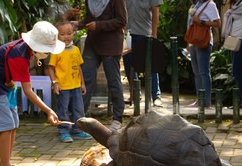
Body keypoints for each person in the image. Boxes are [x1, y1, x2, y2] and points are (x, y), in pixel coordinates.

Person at [0, 21, 64, 166]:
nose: (48, 53)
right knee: (6, 126)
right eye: (47, 50)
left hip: (5, 86)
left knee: (12, 125)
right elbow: (28, 91)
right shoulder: (20, 54)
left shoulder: (26, 50)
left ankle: (5, 165)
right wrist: (49, 111)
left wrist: (9, 81)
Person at [79, 0, 127, 132]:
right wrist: (79, 24)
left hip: (111, 45)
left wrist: (98, 25)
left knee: (113, 81)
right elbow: (90, 18)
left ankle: (117, 119)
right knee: (85, 78)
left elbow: (121, 20)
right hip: (92, 43)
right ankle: (79, 117)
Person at [47, 20, 92, 143]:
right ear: (57, 36)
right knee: (63, 109)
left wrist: (82, 83)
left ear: (74, 34)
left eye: (69, 33)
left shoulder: (76, 50)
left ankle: (77, 130)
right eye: (62, 34)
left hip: (76, 86)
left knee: (78, 109)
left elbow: (78, 68)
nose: (66, 36)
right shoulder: (56, 51)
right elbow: (50, 68)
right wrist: (54, 82)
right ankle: (64, 131)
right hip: (63, 87)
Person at [123, 0, 164, 107]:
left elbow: (156, 10)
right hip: (128, 33)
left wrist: (154, 35)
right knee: (128, 63)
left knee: (150, 65)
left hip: (144, 32)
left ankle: (156, 96)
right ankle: (135, 93)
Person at [186, 0, 221, 108]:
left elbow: (218, 23)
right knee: (196, 73)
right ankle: (199, 100)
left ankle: (206, 101)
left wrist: (202, 22)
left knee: (204, 72)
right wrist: (188, 42)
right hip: (193, 41)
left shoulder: (210, 4)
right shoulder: (196, 5)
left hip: (203, 40)